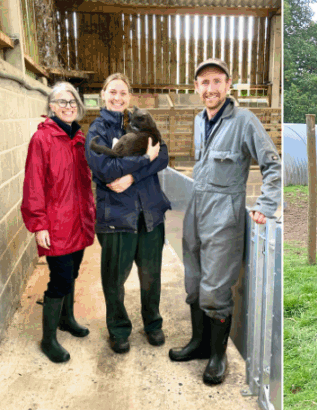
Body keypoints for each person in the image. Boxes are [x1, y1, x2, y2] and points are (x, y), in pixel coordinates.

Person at [168, 57, 281, 385]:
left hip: (224, 217)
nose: (210, 88)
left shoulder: (245, 121)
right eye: (204, 83)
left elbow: (272, 164)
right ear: (196, 88)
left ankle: (218, 357)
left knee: (216, 289)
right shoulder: (198, 121)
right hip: (196, 211)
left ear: (228, 85)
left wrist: (265, 204)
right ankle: (199, 344)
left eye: (217, 81)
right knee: (194, 281)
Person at [85, 73, 168, 354]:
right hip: (116, 218)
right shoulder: (96, 131)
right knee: (114, 279)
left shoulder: (141, 120)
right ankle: (119, 329)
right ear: (103, 94)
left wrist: (132, 176)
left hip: (150, 215)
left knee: (151, 276)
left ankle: (153, 324)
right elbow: (106, 170)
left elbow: (164, 154)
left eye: (123, 93)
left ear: (129, 96)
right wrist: (146, 159)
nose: (118, 98)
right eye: (113, 92)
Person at [21, 82, 95, 363]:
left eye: (73, 101)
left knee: (73, 273)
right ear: (51, 106)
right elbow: (34, 185)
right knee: (60, 278)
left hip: (79, 221)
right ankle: (48, 339)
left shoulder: (78, 138)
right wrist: (38, 224)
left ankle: (68, 320)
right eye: (62, 102)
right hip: (55, 225)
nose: (68, 106)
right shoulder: (42, 140)